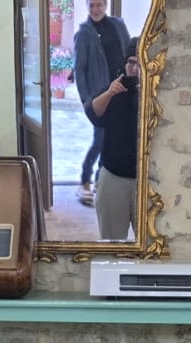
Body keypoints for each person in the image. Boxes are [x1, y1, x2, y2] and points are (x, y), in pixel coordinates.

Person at [71, 0, 128, 207]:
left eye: (99, 5)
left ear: (106, 5)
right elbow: (79, 69)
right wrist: (86, 100)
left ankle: (99, 181)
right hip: (99, 96)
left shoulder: (118, 25)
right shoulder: (83, 33)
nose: (96, 9)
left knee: (113, 139)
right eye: (92, 5)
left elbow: (128, 53)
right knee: (100, 139)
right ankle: (85, 180)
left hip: (120, 91)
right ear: (87, 7)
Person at [90, 40, 139, 240]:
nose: (133, 68)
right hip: (113, 176)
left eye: (139, 64)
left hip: (146, 180)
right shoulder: (115, 86)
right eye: (130, 63)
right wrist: (110, 93)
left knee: (151, 246)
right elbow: (94, 112)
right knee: (111, 243)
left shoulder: (155, 92)